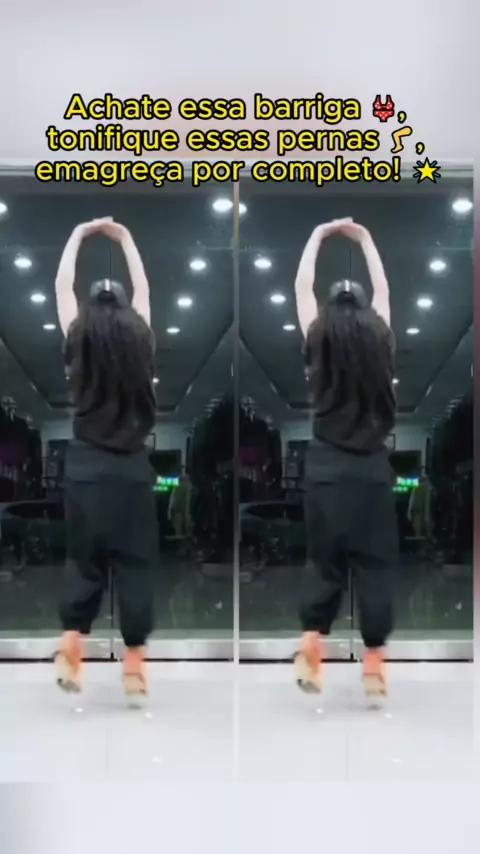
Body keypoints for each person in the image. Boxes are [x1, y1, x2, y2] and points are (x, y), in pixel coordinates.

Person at [54, 217, 158, 698]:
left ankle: (71, 647)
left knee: (84, 561)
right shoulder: (140, 337)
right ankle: (134, 667)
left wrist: (78, 234)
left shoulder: (78, 336)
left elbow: (62, 287)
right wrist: (126, 238)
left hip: (85, 467)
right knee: (135, 564)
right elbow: (145, 289)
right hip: (131, 468)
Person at [294, 218, 398, 698]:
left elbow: (302, 287)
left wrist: (318, 235)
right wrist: (366, 238)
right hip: (371, 468)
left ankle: (311, 647)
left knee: (324, 562)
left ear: (330, 308)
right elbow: (384, 289)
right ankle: (373, 667)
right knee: (375, 564)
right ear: (365, 308)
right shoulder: (379, 336)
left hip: (325, 469)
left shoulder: (318, 336)